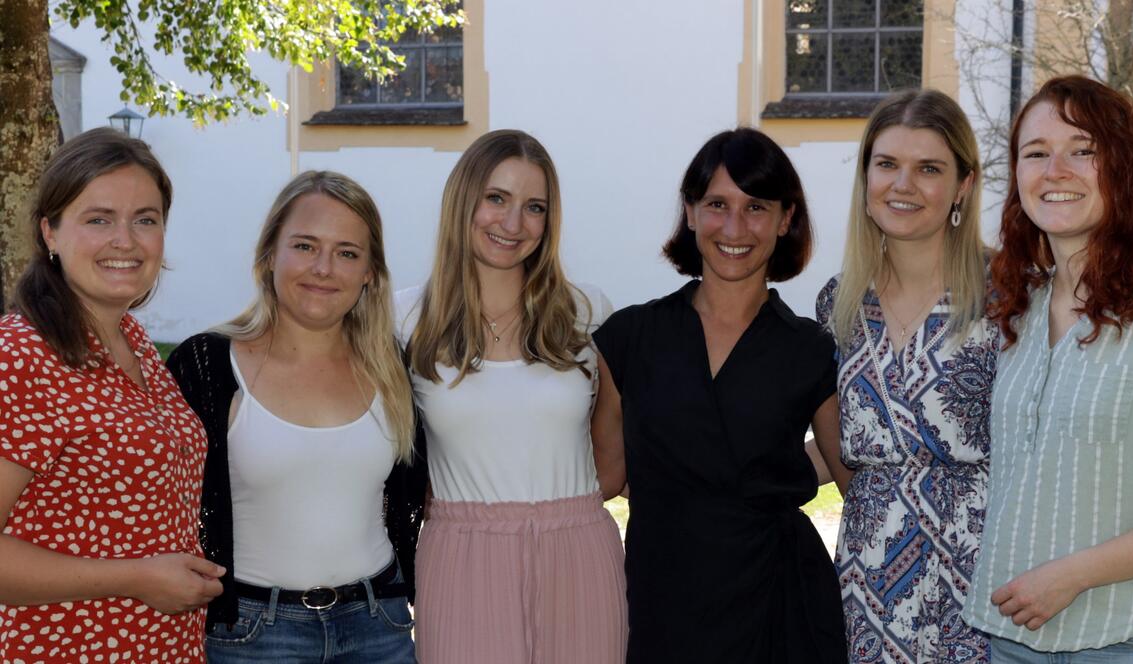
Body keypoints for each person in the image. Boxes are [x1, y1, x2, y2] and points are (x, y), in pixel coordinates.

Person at [592, 127, 846, 663]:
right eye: (716, 204)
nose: (734, 227)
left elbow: (852, 471)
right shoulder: (628, 339)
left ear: (786, 218)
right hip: (662, 603)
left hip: (779, 606)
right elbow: (602, 476)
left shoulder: (811, 348)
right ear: (689, 212)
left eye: (756, 206)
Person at [962, 76, 1133, 661]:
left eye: (1083, 150)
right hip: (1011, 638)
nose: (1054, 169)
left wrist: (1074, 574)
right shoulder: (1020, 306)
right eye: (1036, 153)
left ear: (1126, 167)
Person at [166, 171, 422, 663]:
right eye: (304, 246)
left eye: (347, 253)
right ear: (268, 256)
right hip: (253, 635)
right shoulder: (209, 365)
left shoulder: (393, 367)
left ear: (370, 271)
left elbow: (419, 494)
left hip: (379, 627)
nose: (323, 268)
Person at [397, 129, 626, 664]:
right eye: (496, 198)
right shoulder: (405, 319)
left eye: (534, 207)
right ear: (464, 200)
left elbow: (612, 462)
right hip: (461, 554)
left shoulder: (587, 313)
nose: (513, 223)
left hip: (579, 552)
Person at [0, 127, 223, 662]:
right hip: (61, 648)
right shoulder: (20, 355)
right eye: (98, 219)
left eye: (145, 220)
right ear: (50, 232)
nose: (126, 240)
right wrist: (135, 578)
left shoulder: (134, 342)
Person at [815, 89, 997, 663]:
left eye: (929, 169)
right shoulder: (838, 304)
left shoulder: (1014, 296)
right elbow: (841, 445)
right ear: (866, 178)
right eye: (887, 164)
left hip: (985, 574)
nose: (903, 184)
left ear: (963, 186)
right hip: (870, 579)